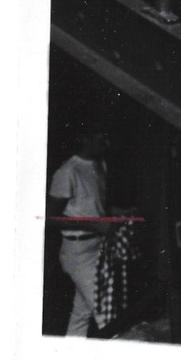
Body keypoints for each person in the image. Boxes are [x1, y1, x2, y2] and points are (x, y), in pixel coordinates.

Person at [48, 128, 113, 337]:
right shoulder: (68, 172)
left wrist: (120, 214)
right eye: (100, 136)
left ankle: (68, 353)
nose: (106, 142)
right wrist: (95, 226)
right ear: (84, 138)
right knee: (107, 313)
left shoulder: (100, 165)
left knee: (82, 312)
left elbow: (94, 207)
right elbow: (51, 218)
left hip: (98, 247)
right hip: (77, 252)